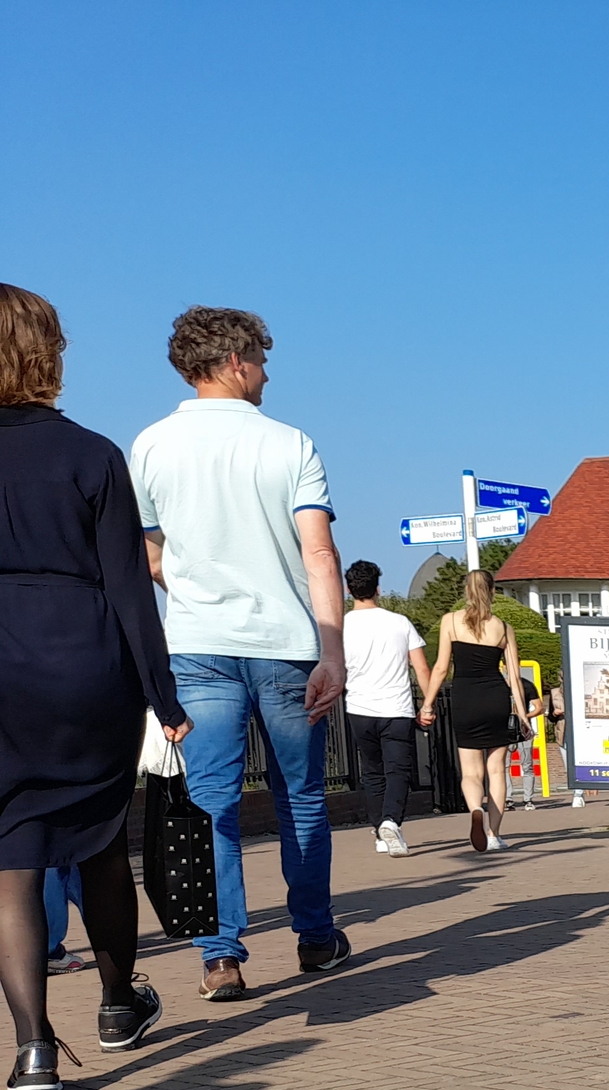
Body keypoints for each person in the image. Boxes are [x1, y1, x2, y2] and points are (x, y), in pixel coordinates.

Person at [0, 284, 189, 1090]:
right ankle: (117, 1003)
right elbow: (129, 590)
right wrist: (165, 697)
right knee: (103, 844)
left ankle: (33, 1048)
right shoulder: (93, 454)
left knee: (11, 864)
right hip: (84, 663)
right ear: (50, 354)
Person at [130, 305, 346, 1002]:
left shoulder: (151, 445)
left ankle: (220, 956)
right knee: (302, 800)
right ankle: (315, 938)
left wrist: (191, 582)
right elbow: (320, 552)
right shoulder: (291, 445)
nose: (266, 371)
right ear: (234, 362)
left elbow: (149, 553)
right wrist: (332, 650)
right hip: (284, 647)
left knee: (211, 804)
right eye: (260, 357)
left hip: (196, 646)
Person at [417, 570, 533, 851]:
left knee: (470, 773)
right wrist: (522, 714)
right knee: (496, 771)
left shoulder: (450, 622)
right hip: (495, 698)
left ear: (466, 592)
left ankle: (474, 811)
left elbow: (442, 668)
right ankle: (493, 834)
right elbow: (515, 678)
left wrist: (428, 704)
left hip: (465, 698)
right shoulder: (503, 628)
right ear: (493, 592)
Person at [340, 559, 428, 856]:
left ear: (349, 588)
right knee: (398, 770)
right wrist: (428, 704)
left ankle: (379, 830)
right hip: (397, 708)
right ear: (377, 588)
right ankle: (391, 819)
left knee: (372, 771)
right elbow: (420, 667)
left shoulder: (340, 626)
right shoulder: (399, 622)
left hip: (359, 707)